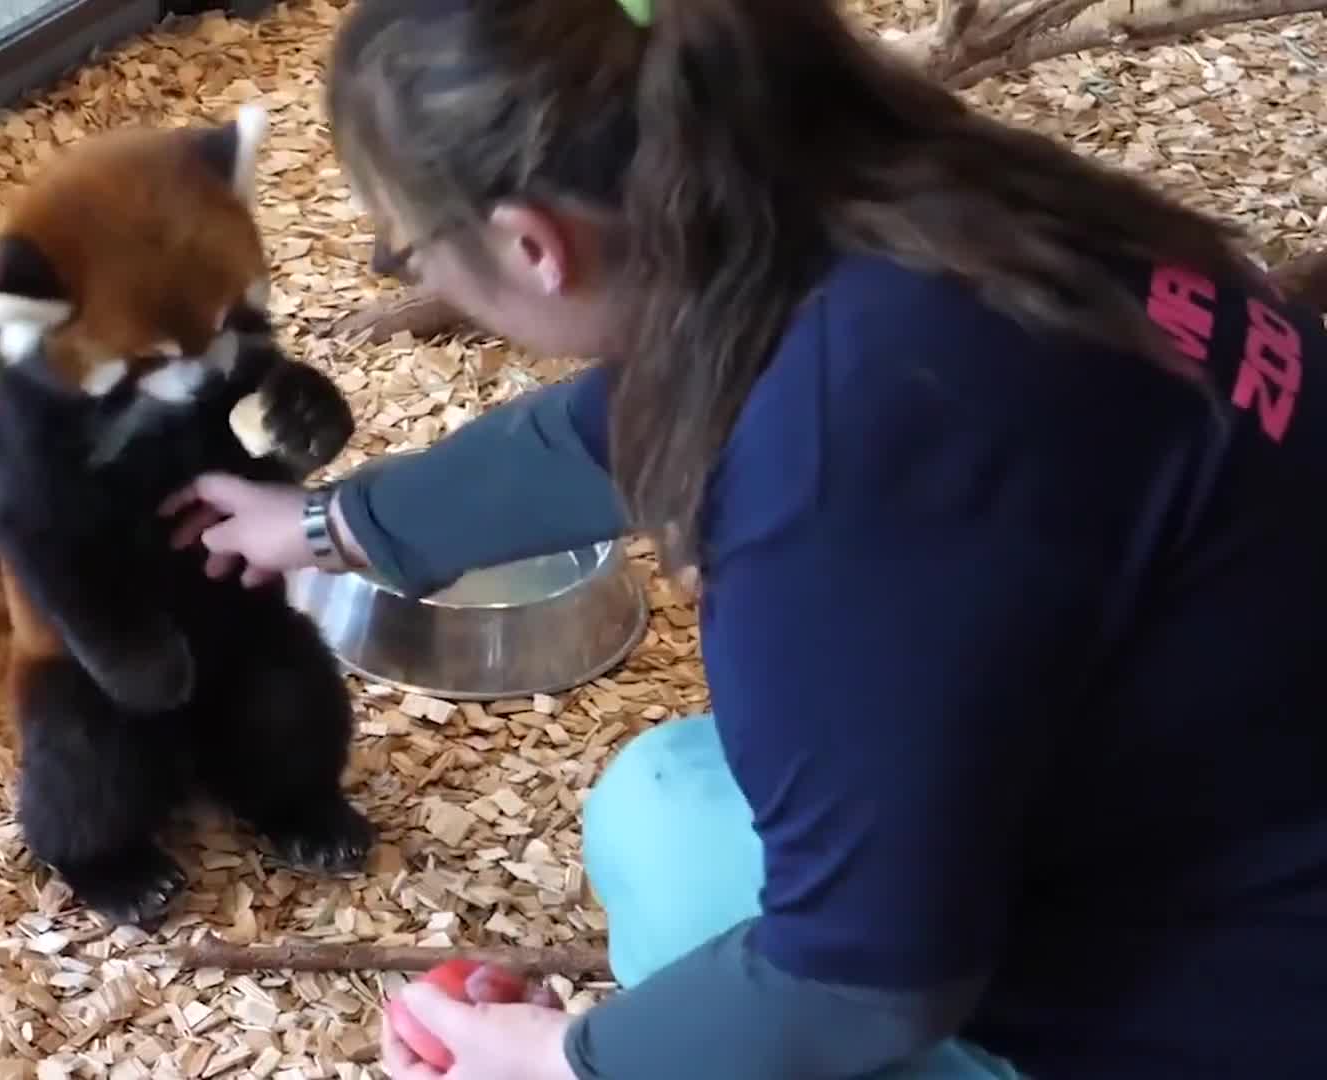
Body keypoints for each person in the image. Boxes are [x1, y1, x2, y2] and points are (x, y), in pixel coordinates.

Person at [158, 0, 1327, 1075]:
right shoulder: (921, 199)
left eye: (405, 250)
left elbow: (865, 976)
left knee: (677, 865)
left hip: (1243, 1007)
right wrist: (329, 524)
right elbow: (632, 418)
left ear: (529, 245)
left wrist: (566, 1062)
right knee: (661, 808)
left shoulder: (844, 454)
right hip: (1222, 803)